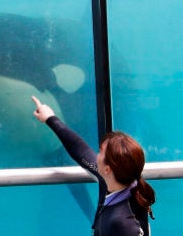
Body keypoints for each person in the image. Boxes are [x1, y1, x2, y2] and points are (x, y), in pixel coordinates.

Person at [31, 96, 155, 236]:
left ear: (108, 169)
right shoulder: (116, 182)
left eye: (100, 152)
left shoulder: (124, 223)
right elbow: (80, 150)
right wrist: (50, 118)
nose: (96, 156)